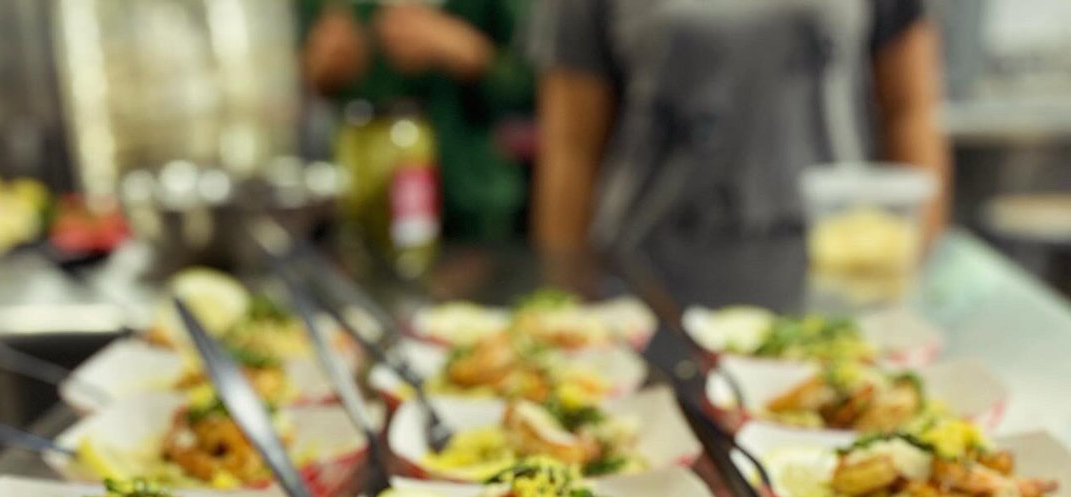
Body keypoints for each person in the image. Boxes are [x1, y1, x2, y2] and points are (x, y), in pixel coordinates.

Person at [528, 0, 951, 298]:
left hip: (830, 277)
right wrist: (568, 297)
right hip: (648, 280)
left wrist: (918, 268)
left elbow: (910, 110)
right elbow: (571, 149)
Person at [300, 0, 533, 242]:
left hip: (475, 205)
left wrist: (470, 52)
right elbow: (307, 72)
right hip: (363, 197)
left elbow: (534, 87)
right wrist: (324, 66)